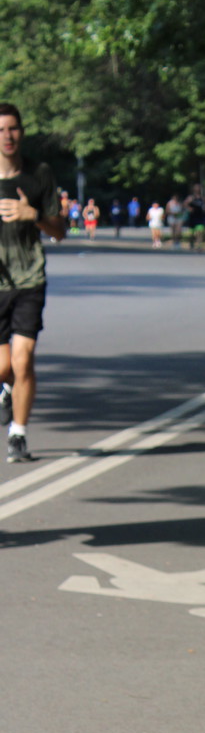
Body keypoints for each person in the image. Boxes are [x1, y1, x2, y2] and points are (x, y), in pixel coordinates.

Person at [0, 103, 65, 463]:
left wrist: (33, 214)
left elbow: (59, 231)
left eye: (12, 128)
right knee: (4, 367)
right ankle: (6, 390)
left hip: (29, 278)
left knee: (23, 361)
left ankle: (18, 434)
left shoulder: (39, 174)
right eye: (0, 130)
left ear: (21, 132)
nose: (7, 136)